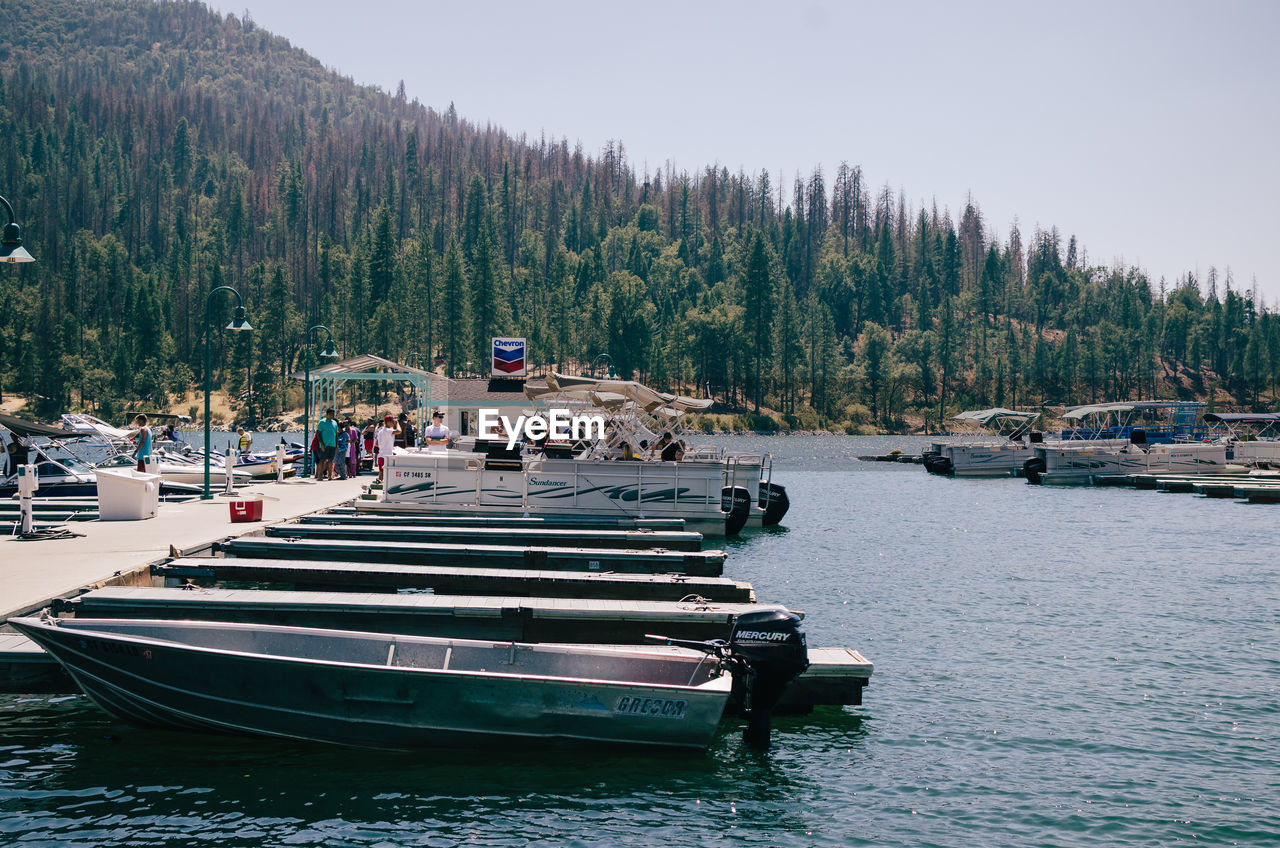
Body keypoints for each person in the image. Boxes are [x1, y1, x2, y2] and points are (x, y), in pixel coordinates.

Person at [374, 413, 397, 485]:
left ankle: (379, 484)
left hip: (381, 455)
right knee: (388, 475)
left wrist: (386, 444)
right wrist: (397, 423)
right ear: (388, 422)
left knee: (381, 474)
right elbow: (399, 431)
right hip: (387, 457)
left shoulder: (381, 431)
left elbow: (377, 444)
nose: (393, 423)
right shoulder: (388, 430)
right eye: (392, 422)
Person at [316, 408, 339, 480]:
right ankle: (320, 476)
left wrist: (336, 444)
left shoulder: (335, 423)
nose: (333, 415)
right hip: (324, 445)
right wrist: (322, 444)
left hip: (332, 445)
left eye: (333, 414)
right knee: (322, 460)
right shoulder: (322, 422)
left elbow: (336, 434)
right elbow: (318, 434)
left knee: (330, 460)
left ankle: (329, 476)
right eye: (331, 414)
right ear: (327, 414)